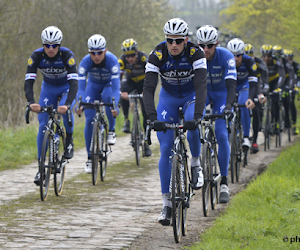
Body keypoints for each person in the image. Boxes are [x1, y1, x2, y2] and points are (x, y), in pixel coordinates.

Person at [143, 18, 207, 225]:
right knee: (166, 148)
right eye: (170, 40)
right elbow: (149, 89)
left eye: (178, 41)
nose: (174, 45)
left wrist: (197, 116)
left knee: (191, 122)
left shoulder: (196, 53)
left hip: (191, 97)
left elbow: (200, 86)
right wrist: (152, 118)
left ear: (186, 40)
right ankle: (166, 205)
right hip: (168, 99)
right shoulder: (157, 55)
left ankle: (196, 164)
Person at [24, 26, 78, 186]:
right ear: (43, 45)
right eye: (47, 45)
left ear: (59, 45)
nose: (51, 48)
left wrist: (68, 104)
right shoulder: (36, 56)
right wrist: (31, 102)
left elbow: (74, 83)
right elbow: (29, 82)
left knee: (65, 112)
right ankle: (41, 168)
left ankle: (69, 141)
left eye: (54, 45)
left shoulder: (67, 56)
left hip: (66, 88)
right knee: (43, 125)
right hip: (48, 89)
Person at [196, 25, 237, 204]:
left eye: (210, 46)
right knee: (194, 122)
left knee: (221, 134)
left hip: (221, 96)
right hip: (203, 95)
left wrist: (228, 107)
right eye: (202, 46)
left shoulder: (226, 56)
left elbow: (231, 86)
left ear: (217, 44)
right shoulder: (194, 57)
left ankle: (224, 183)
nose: (205, 50)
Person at [76, 34, 120, 174]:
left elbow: (116, 88)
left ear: (105, 51)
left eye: (99, 52)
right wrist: (79, 103)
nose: (96, 56)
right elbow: (81, 87)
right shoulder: (85, 62)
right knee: (89, 119)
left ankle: (111, 130)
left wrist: (115, 105)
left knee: (108, 97)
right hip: (93, 86)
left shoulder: (112, 61)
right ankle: (90, 158)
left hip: (108, 85)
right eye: (93, 53)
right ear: (89, 52)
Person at [118, 38, 151, 157]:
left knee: (146, 113)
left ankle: (146, 144)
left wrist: (147, 90)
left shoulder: (143, 58)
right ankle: (126, 120)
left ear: (136, 52)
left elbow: (151, 76)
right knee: (123, 93)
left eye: (132, 55)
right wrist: (120, 91)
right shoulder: (121, 60)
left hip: (144, 82)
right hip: (130, 81)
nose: (130, 58)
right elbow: (118, 78)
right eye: (127, 56)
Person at [227, 39, 257, 153]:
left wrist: (250, 98)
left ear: (243, 54)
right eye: (232, 55)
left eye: (238, 55)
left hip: (244, 86)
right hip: (230, 86)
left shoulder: (249, 62)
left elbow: (254, 83)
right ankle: (230, 135)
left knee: (244, 103)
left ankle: (245, 137)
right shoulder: (224, 61)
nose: (235, 58)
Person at [244, 44, 269, 153]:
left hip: (257, 87)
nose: (249, 57)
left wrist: (262, 94)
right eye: (246, 55)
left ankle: (254, 140)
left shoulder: (260, 63)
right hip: (244, 87)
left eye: (251, 55)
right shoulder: (239, 61)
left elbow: (265, 81)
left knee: (256, 111)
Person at [261, 44, 286, 135]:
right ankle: (260, 122)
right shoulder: (260, 62)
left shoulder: (277, 61)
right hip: (264, 83)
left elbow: (282, 76)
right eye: (264, 56)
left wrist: (278, 87)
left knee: (275, 102)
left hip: (275, 82)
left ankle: (276, 124)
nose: (266, 58)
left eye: (269, 56)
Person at [286, 50, 300, 135]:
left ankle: (294, 125)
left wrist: (297, 87)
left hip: (293, 86)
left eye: (290, 59)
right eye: (287, 59)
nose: (289, 61)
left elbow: (299, 78)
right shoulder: (282, 65)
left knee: (291, 104)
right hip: (284, 86)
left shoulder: (296, 65)